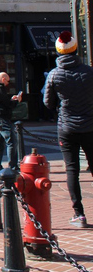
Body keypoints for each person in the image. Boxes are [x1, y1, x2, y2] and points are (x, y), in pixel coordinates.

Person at [42, 31, 93, 228]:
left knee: (72, 169)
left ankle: (79, 214)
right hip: (90, 125)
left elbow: (48, 103)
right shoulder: (89, 72)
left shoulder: (55, 74)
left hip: (67, 126)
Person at [0, 72, 22, 171]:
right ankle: (13, 166)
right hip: (1, 117)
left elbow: (1, 101)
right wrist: (17, 100)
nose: (8, 83)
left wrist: (11, 99)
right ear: (3, 79)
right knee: (11, 141)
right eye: (8, 81)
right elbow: (7, 104)